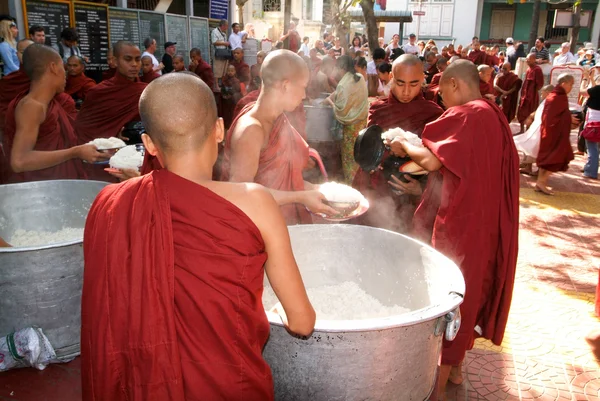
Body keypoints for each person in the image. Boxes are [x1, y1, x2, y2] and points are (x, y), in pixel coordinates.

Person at [80, 72, 316, 401]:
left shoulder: (110, 204)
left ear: (148, 143)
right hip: (229, 386)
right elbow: (302, 322)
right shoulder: (257, 202)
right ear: (219, 129)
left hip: (142, 388)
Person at [387, 59, 518, 399]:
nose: (440, 96)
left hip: (461, 224)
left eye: (441, 90)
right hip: (486, 220)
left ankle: (438, 388)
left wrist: (403, 145)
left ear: (455, 84)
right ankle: (457, 372)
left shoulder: (466, 114)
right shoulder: (493, 113)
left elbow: (431, 160)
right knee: (472, 290)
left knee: (451, 299)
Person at [221, 50, 337, 224]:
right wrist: (302, 197)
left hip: (278, 223)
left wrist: (316, 189)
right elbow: (242, 195)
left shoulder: (278, 119)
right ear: (285, 85)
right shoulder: (251, 129)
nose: (304, 95)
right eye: (303, 87)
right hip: (257, 231)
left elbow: (283, 179)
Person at [352, 55, 443, 233]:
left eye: (414, 84)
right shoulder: (379, 108)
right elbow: (368, 151)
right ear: (392, 78)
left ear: (423, 80)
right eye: (401, 83)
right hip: (376, 190)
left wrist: (421, 189)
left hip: (409, 197)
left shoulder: (433, 114)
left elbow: (439, 165)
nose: (406, 91)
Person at [2, 45, 107, 183]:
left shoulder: (50, 104)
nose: (66, 74)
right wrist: (74, 152)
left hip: (56, 183)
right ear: (53, 67)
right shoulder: (31, 106)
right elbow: (19, 161)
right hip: (39, 190)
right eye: (63, 67)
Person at [75, 41, 147, 181]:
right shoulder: (99, 92)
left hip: (135, 160)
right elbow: (83, 129)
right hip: (103, 161)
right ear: (114, 61)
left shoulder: (146, 90)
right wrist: (113, 136)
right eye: (128, 59)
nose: (134, 64)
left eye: (137, 59)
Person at [325, 55, 368, 184]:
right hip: (362, 124)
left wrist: (330, 103)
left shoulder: (343, 84)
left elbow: (341, 111)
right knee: (360, 156)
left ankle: (351, 185)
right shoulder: (359, 77)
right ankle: (361, 183)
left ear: (342, 67)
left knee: (350, 159)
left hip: (350, 128)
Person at [536, 74, 579, 194]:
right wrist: (568, 118)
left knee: (548, 158)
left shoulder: (556, 95)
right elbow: (552, 117)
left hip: (552, 132)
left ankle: (540, 182)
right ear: (564, 84)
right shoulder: (557, 97)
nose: (571, 87)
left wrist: (567, 117)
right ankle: (541, 182)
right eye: (571, 84)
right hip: (553, 133)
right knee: (556, 157)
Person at [514, 84, 554, 176]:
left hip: (542, 130)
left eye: (542, 93)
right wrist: (531, 117)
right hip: (536, 128)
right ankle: (528, 167)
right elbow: (538, 111)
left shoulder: (552, 101)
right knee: (530, 146)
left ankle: (539, 172)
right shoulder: (546, 101)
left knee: (538, 149)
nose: (541, 95)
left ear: (547, 93)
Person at [517, 54, 544, 134]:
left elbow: (540, 84)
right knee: (521, 111)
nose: (527, 61)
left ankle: (527, 131)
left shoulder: (537, 69)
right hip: (524, 94)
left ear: (534, 59)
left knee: (530, 112)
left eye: (528, 59)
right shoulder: (529, 69)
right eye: (526, 59)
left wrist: (532, 92)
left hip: (532, 95)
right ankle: (521, 130)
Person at [581, 68, 600, 179]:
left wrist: (585, 78)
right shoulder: (596, 89)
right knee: (595, 148)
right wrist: (592, 78)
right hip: (596, 122)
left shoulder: (597, 89)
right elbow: (594, 90)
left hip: (594, 123)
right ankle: (590, 167)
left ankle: (591, 171)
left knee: (592, 147)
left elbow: (583, 92)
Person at [211, 19, 230, 85]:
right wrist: (225, 43)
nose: (227, 28)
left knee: (223, 70)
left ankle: (222, 84)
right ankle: (216, 85)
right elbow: (214, 42)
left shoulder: (224, 33)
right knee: (217, 69)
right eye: (227, 26)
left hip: (224, 53)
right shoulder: (215, 31)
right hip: (218, 53)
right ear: (223, 25)